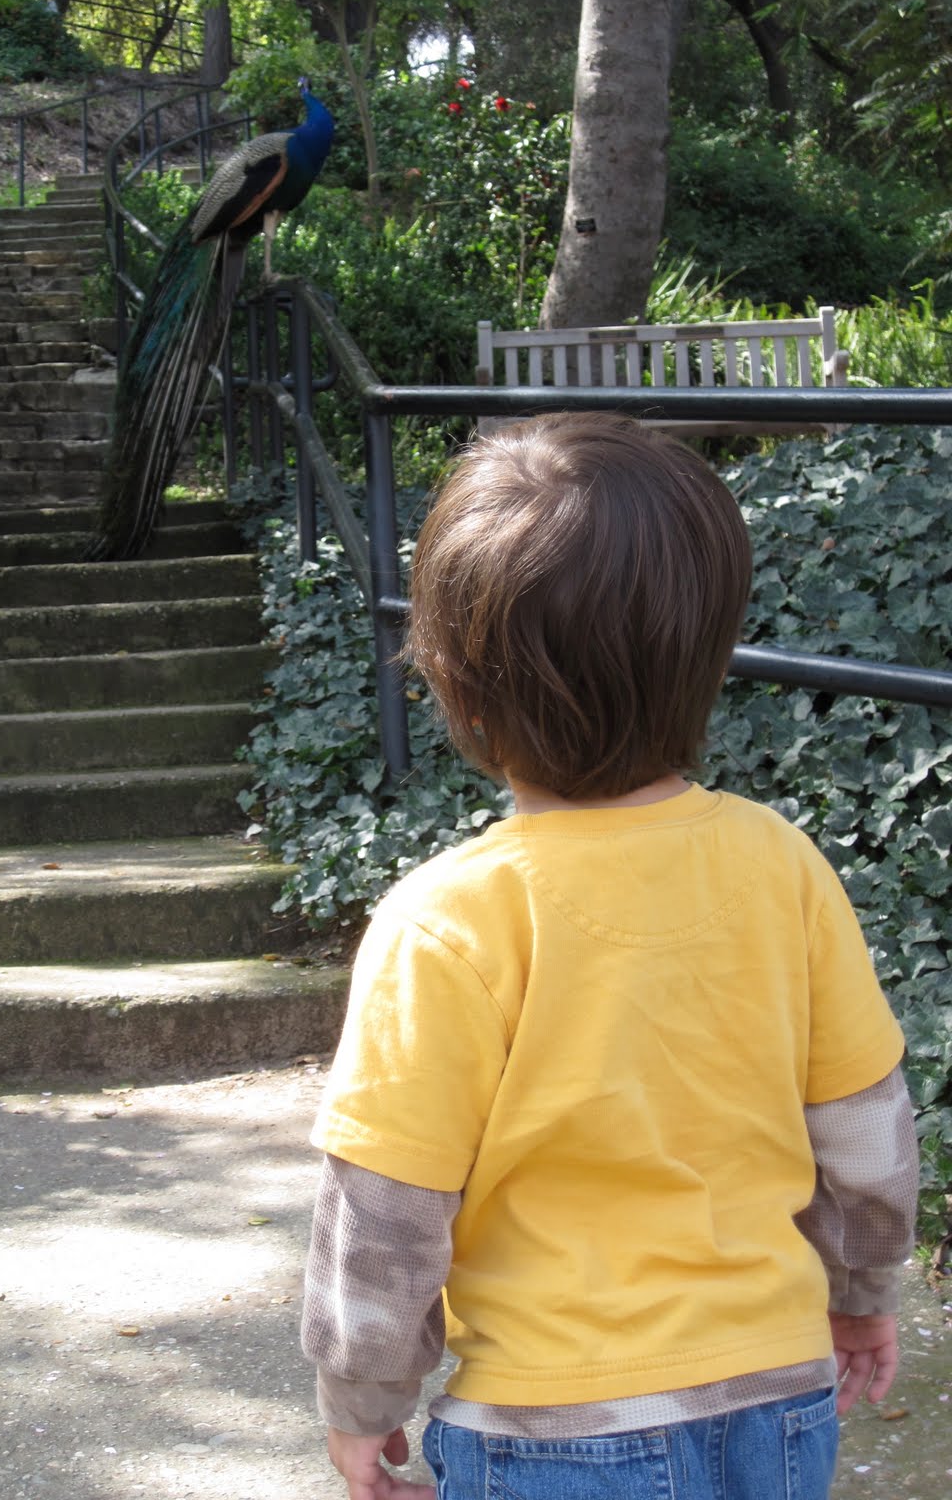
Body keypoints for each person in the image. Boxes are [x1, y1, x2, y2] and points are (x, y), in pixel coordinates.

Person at [300, 414, 919, 1500]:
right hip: (776, 1396)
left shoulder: (447, 920)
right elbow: (867, 1134)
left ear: (456, 682)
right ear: (707, 658)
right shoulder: (783, 867)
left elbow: (387, 1210)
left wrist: (364, 1400)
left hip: (549, 1425)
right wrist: (862, 1288)